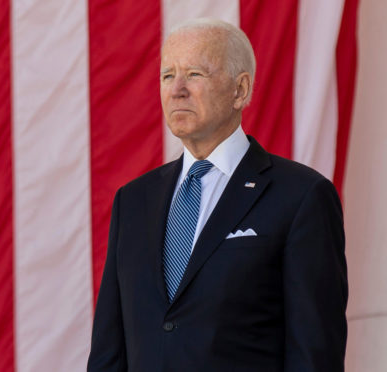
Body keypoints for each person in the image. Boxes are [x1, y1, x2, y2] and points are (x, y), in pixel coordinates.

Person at [87, 18, 347, 372]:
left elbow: (314, 355)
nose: (176, 89)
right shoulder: (132, 201)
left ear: (240, 90)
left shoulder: (302, 197)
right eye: (167, 75)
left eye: (194, 74)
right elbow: (108, 351)